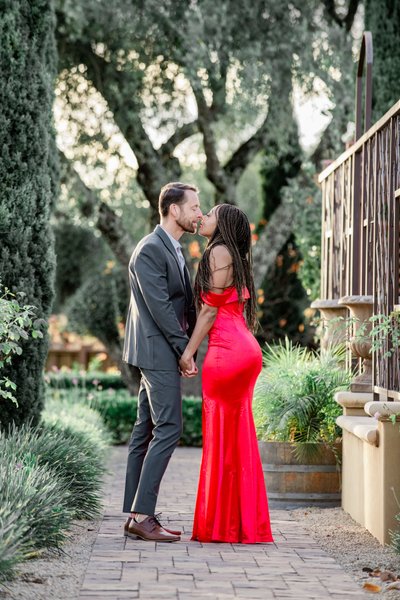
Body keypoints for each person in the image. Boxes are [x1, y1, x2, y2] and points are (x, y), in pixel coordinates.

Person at [180, 204, 274, 543]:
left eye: (212, 213)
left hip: (227, 352)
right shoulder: (230, 254)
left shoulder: (219, 252)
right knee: (236, 438)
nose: (204, 215)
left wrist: (187, 353)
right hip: (242, 349)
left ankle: (223, 524)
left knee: (222, 436)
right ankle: (241, 523)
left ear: (223, 225)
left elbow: (208, 312)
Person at [122, 181, 202, 542]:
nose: (199, 214)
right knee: (169, 427)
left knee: (146, 429)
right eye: (195, 207)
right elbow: (161, 309)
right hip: (157, 351)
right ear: (174, 209)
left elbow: (182, 303)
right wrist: (184, 350)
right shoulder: (150, 250)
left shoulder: (173, 247)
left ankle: (137, 514)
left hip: (156, 350)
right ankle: (142, 516)